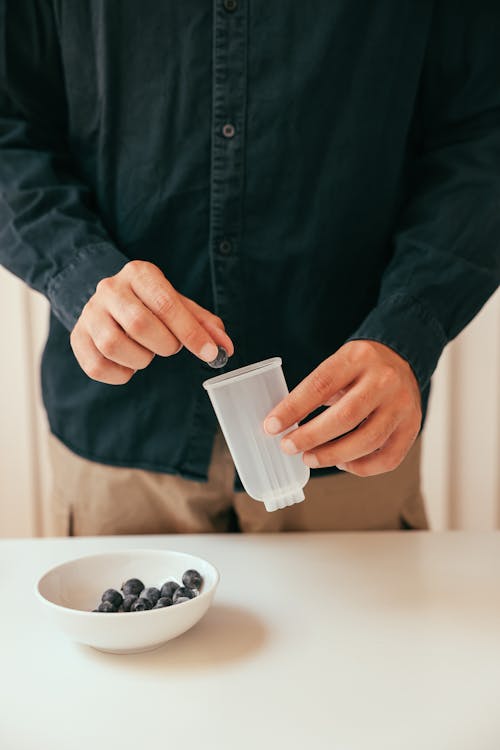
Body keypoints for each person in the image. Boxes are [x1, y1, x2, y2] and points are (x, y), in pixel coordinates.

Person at [0, 1, 499, 536]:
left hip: (350, 422)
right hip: (124, 435)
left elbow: (483, 132)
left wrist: (408, 330)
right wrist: (79, 271)